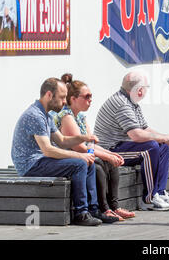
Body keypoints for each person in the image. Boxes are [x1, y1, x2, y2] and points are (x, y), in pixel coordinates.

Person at [11, 78, 116, 226]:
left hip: (40, 161)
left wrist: (85, 137)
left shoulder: (46, 115)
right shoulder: (35, 115)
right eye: (61, 97)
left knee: (89, 163)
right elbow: (48, 150)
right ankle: (81, 213)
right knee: (79, 164)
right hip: (30, 165)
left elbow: (62, 140)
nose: (64, 102)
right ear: (49, 95)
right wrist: (80, 155)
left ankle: (94, 210)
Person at [94, 71, 169, 211]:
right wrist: (163, 137)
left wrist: (165, 138)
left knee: (162, 146)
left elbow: (144, 129)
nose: (147, 90)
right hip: (110, 150)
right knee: (151, 147)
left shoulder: (131, 102)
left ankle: (159, 192)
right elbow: (136, 135)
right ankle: (149, 199)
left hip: (122, 145)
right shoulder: (122, 103)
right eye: (146, 87)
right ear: (139, 90)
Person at [52, 73, 135, 221]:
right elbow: (80, 147)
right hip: (67, 159)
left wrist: (111, 154)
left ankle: (113, 207)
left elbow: (91, 144)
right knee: (97, 166)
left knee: (109, 163)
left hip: (81, 156)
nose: (90, 100)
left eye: (91, 96)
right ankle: (103, 209)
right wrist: (107, 155)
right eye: (87, 96)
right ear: (73, 99)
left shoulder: (80, 117)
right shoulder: (66, 116)